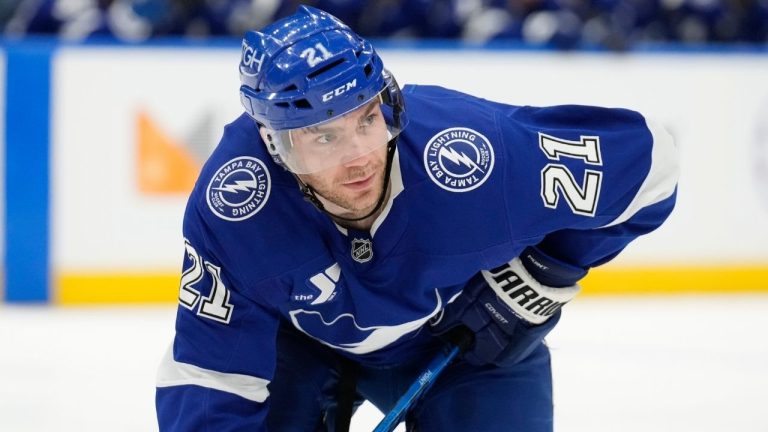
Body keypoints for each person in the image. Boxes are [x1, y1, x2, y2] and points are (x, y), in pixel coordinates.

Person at [155, 5, 679, 431]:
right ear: (274, 144)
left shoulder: (472, 158)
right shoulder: (237, 202)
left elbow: (652, 165)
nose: (359, 156)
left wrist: (539, 279)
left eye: (366, 119)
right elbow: (210, 377)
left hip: (464, 342)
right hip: (301, 348)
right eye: (322, 137)